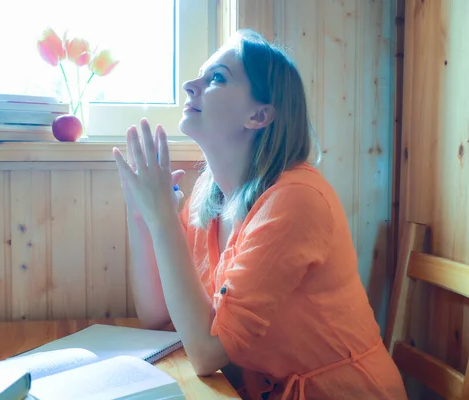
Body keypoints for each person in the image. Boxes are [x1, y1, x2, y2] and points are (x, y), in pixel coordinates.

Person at [112, 29, 407, 400]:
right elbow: (155, 316)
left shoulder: (296, 200)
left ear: (259, 115)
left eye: (216, 77)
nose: (190, 85)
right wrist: (140, 215)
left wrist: (162, 219)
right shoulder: (209, 198)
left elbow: (206, 351)